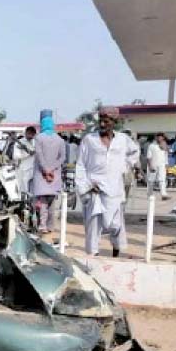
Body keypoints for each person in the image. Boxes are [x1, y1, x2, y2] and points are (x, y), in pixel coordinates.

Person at [75, 107, 137, 257]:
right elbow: (81, 164)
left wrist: (126, 165)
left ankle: (116, 248)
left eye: (106, 121)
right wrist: (87, 185)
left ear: (114, 122)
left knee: (115, 224)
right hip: (94, 188)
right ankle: (93, 254)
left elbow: (135, 152)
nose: (102, 124)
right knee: (93, 224)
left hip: (115, 188)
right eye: (101, 120)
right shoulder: (89, 140)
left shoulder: (123, 139)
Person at [32, 112, 65, 236]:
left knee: (42, 202)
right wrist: (52, 169)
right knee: (52, 202)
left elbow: (39, 155)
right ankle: (51, 226)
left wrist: (45, 170)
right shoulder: (60, 140)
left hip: (41, 175)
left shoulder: (39, 138)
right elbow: (62, 158)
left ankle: (42, 225)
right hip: (54, 175)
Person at [12, 126, 36, 197]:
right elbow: (16, 156)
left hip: (33, 168)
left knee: (33, 189)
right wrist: (28, 154)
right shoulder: (19, 143)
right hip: (23, 169)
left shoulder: (35, 142)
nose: (31, 136)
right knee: (23, 189)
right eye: (29, 134)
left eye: (32, 135)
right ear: (26, 133)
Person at [146, 133, 170, 200]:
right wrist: (150, 166)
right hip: (153, 165)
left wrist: (167, 165)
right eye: (158, 137)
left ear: (163, 138)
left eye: (161, 137)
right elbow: (148, 157)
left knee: (162, 180)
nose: (160, 138)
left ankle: (163, 194)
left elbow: (166, 156)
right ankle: (149, 194)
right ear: (156, 138)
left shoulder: (164, 145)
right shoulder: (152, 146)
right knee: (151, 181)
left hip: (162, 165)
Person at [122, 129, 140, 200]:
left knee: (126, 186)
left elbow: (136, 159)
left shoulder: (134, 145)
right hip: (118, 169)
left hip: (128, 168)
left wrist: (138, 171)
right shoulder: (116, 143)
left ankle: (123, 203)